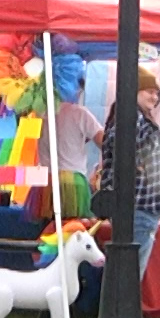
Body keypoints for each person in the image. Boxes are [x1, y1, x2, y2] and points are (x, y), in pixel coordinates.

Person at [95, 66, 160, 276]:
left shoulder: (132, 115)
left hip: (140, 207)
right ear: (135, 90)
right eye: (149, 91)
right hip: (138, 206)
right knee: (129, 274)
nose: (155, 96)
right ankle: (121, 309)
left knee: (127, 273)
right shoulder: (132, 116)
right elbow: (121, 145)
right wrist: (138, 163)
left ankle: (118, 308)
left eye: (157, 92)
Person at [52, 79, 103, 219]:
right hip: (73, 181)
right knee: (73, 228)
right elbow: (105, 142)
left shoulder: (41, 112)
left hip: (47, 181)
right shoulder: (80, 113)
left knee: (48, 228)